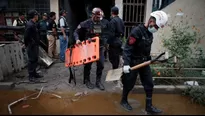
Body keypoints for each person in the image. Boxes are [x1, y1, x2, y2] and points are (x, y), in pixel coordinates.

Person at [121, 10, 168, 114]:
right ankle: (123, 101)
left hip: (144, 62)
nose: (156, 29)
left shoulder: (150, 34)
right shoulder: (136, 31)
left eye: (157, 28)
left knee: (149, 84)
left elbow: (146, 49)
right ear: (151, 21)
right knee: (129, 84)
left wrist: (150, 59)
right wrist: (126, 64)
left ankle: (149, 107)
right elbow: (127, 49)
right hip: (133, 62)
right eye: (156, 26)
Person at [74, 8, 107, 91]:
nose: (98, 19)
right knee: (88, 65)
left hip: (100, 47)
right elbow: (76, 32)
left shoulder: (102, 23)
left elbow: (106, 34)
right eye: (97, 17)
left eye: (100, 18)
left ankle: (98, 82)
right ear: (93, 15)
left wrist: (106, 42)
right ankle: (87, 80)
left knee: (101, 64)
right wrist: (77, 39)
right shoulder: (85, 23)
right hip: (89, 48)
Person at [24, 9, 43, 82]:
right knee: (31, 60)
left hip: (35, 45)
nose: (38, 16)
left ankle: (34, 73)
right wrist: (27, 44)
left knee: (35, 59)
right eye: (37, 15)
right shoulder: (30, 24)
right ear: (35, 16)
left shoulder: (33, 23)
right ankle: (31, 76)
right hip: (31, 45)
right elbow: (26, 36)